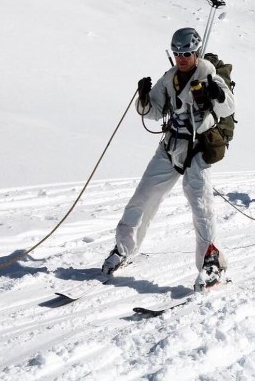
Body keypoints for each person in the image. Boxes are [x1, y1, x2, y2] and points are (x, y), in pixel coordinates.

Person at [101, 27, 236, 292]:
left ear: (195, 52)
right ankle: (124, 248)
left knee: (200, 204)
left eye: (186, 53)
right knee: (143, 196)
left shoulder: (208, 72)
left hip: (198, 147)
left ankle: (211, 263)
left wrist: (216, 95)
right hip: (171, 145)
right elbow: (152, 111)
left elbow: (228, 107)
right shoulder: (170, 77)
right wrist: (143, 98)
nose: (181, 58)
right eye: (177, 53)